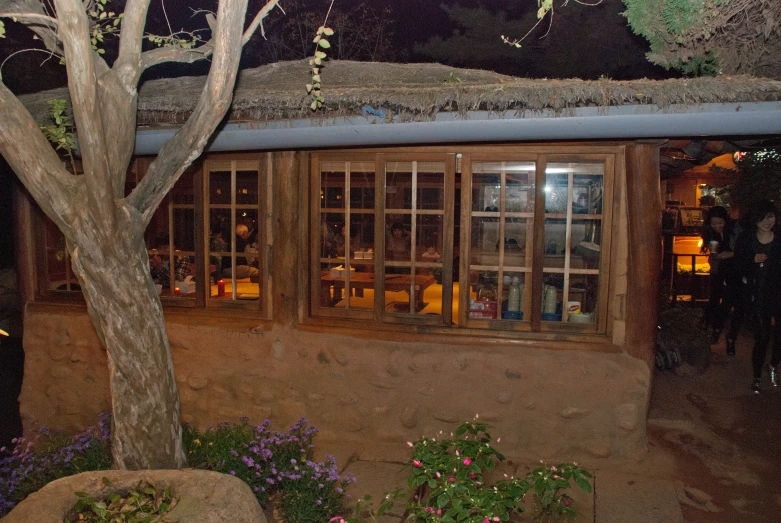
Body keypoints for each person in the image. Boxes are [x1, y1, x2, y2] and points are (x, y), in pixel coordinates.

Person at [733, 200, 781, 394]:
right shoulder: (746, 238)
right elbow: (737, 265)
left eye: (771, 216)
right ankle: (757, 376)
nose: (767, 221)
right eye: (762, 218)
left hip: (779, 291)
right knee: (762, 336)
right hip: (758, 294)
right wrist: (751, 260)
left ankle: (773, 366)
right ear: (755, 220)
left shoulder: (779, 237)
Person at [700, 206, 741, 354]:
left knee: (733, 304)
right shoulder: (710, 233)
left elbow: (744, 250)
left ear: (725, 220)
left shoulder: (736, 229)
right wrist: (715, 255)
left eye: (720, 223)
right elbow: (713, 256)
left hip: (737, 272)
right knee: (715, 300)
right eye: (714, 224)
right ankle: (715, 329)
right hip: (720, 272)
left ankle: (729, 337)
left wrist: (729, 254)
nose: (717, 226)